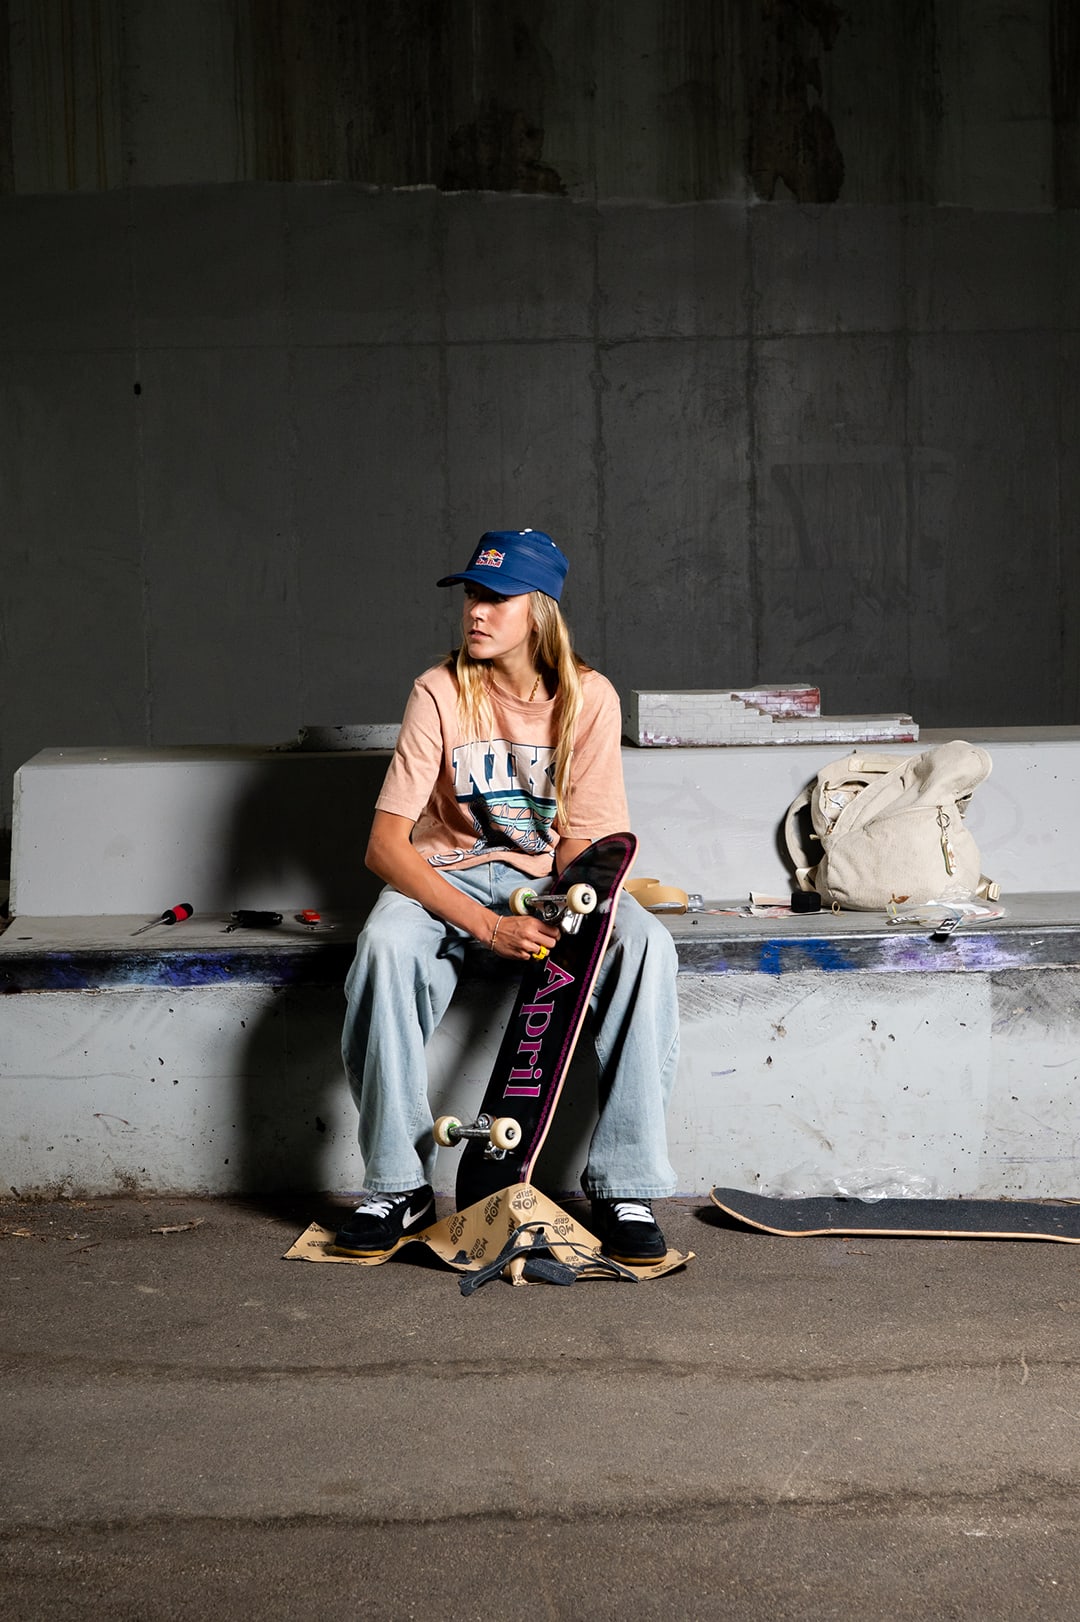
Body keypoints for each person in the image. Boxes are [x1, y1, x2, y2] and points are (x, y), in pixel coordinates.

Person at [333, 529, 680, 1264]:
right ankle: (399, 1185)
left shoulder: (590, 700)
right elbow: (384, 847)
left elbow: (584, 849)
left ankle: (625, 1183)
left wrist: (563, 912)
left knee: (647, 944)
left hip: (546, 881)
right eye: (471, 595)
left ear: (541, 610)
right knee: (384, 946)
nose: (476, 612)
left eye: (496, 598)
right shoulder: (439, 690)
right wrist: (490, 929)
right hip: (446, 876)